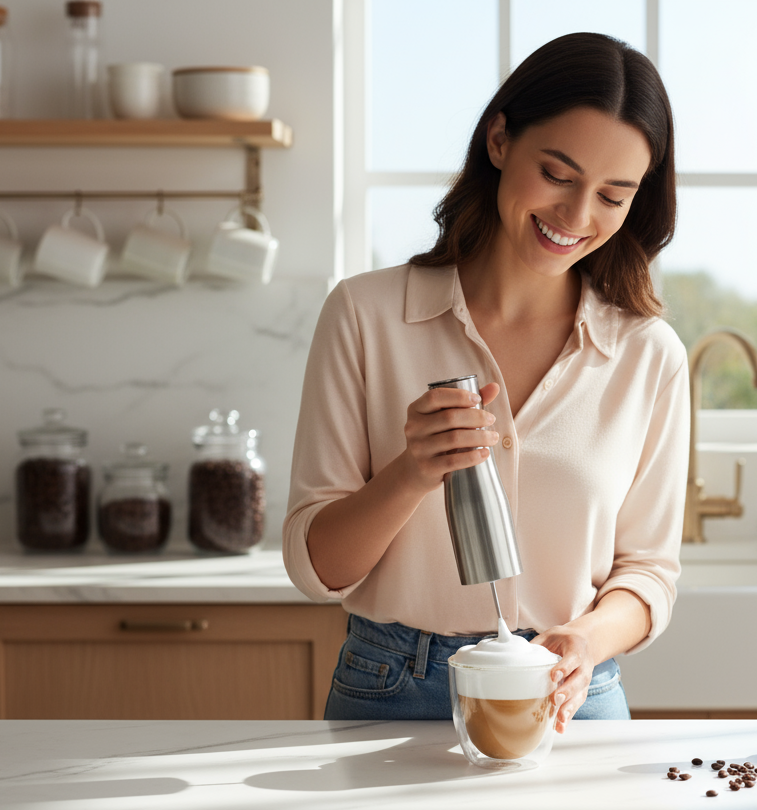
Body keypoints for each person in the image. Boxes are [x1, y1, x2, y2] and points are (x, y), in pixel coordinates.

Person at [283, 32, 689, 730]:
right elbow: (318, 567)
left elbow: (649, 573)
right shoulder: (366, 314)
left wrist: (584, 642)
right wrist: (411, 471)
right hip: (391, 688)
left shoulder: (648, 354)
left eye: (613, 196)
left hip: (572, 697)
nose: (577, 216)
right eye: (558, 174)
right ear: (500, 140)